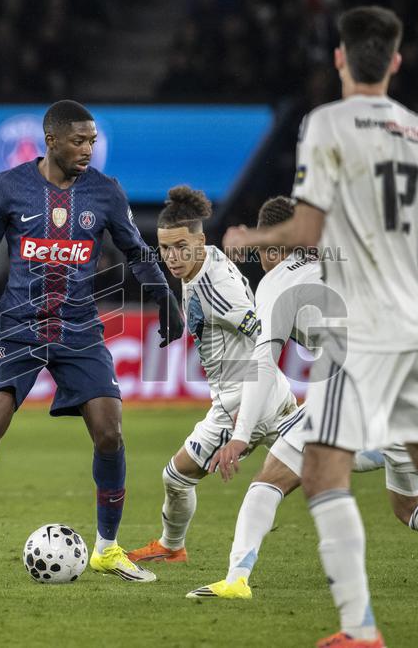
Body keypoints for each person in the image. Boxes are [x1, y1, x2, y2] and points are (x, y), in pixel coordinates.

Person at [223, 8, 418, 648]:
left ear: (341, 59)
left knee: (319, 473)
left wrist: (250, 235)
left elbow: (307, 232)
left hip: (360, 333)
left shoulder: (325, 125)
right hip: (415, 322)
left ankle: (359, 629)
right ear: (396, 62)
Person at [187, 197, 418, 600]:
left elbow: (263, 362)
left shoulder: (276, 283)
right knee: (411, 508)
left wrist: (241, 435)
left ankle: (236, 580)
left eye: (262, 250)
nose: (260, 260)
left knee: (269, 480)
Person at [0, 100, 184, 584]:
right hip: (17, 325)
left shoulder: (105, 192)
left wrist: (165, 298)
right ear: (52, 140)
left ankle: (106, 548)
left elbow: (135, 249)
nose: (87, 150)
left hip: (79, 328)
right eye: (78, 141)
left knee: (110, 431)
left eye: (92, 142)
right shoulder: (8, 187)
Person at [125, 186, 305, 565]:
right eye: (165, 248)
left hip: (240, 401)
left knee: (176, 475)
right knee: (321, 463)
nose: (172, 257)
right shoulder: (204, 260)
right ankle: (395, 455)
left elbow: (265, 338)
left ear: (200, 241)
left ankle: (172, 547)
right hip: (268, 394)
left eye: (180, 247)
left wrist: (245, 414)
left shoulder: (214, 287)